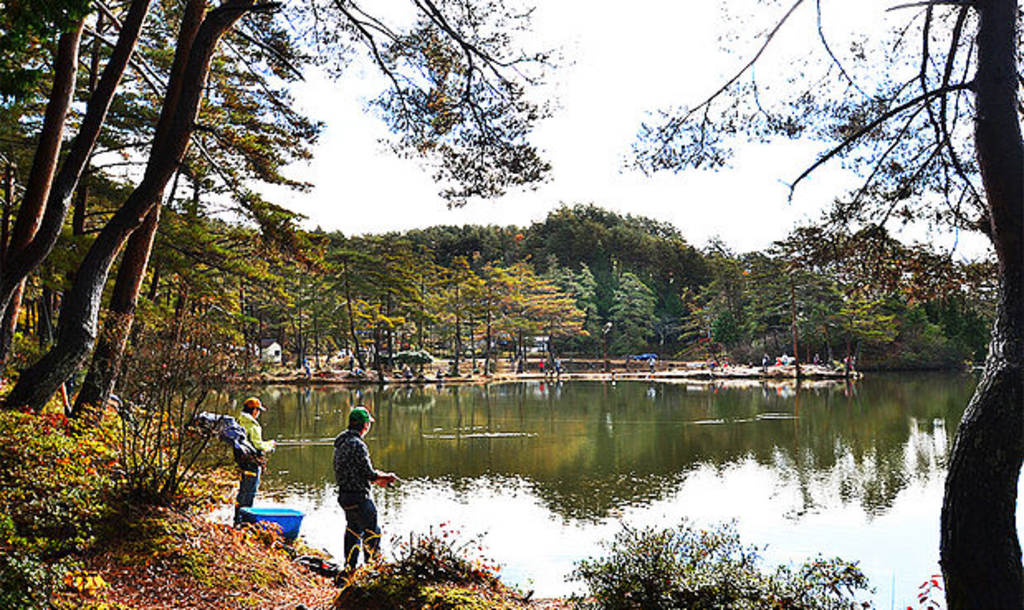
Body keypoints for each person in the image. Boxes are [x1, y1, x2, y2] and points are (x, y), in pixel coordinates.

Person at [334, 406, 398, 573]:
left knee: (353, 531)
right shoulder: (358, 445)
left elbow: (354, 472)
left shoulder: (340, 443)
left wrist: (378, 480)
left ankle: (350, 569)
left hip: (345, 496)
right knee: (373, 533)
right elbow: (369, 473)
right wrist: (386, 476)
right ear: (365, 426)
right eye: (368, 423)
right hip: (358, 497)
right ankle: (372, 572)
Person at [235, 397, 276, 525]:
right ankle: (246, 522)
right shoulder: (252, 424)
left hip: (242, 462)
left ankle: (237, 518)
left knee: (242, 491)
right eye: (258, 410)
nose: (258, 413)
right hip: (252, 463)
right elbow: (258, 445)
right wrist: (271, 445)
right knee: (250, 492)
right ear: (253, 410)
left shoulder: (239, 421)